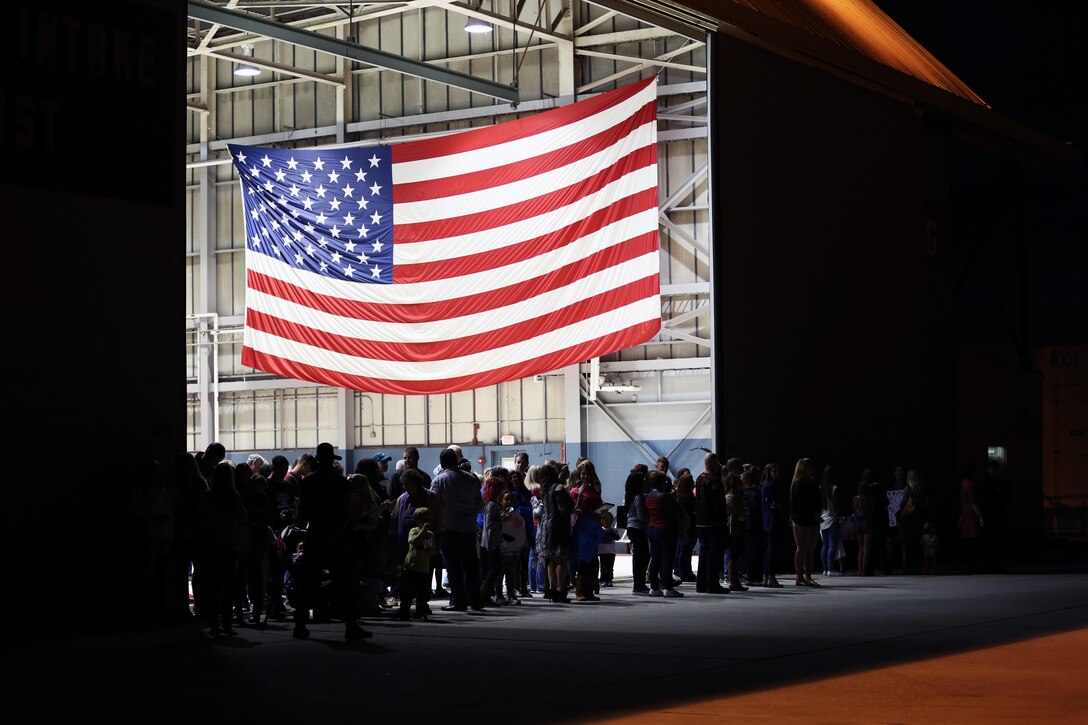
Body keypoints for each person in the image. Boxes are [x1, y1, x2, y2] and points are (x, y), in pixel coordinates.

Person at [293, 442, 372, 641]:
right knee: (345, 583)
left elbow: (303, 513)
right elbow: (347, 512)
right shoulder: (341, 483)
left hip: (316, 534)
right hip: (337, 536)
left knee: (308, 581)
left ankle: (300, 624)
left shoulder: (308, 481)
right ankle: (350, 626)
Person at [431, 447, 484, 612]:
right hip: (468, 529)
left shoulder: (439, 481)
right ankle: (475, 601)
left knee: (453, 567)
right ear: (456, 461)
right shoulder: (471, 479)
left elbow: (434, 505)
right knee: (471, 567)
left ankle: (459, 601)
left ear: (441, 463)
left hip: (449, 529)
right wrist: (469, 516)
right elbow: (479, 503)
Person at [198, 460, 246, 636]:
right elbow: (242, 517)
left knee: (213, 585)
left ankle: (213, 623)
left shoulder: (207, 496)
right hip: (228, 544)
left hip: (211, 545)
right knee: (228, 585)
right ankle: (227, 624)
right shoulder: (234, 497)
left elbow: (202, 520)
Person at [534, 462, 573, 603]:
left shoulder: (544, 489)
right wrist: (572, 505)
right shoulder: (558, 487)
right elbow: (563, 509)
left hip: (546, 525)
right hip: (559, 526)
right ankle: (561, 591)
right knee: (561, 559)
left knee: (550, 559)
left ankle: (551, 590)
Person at [570, 459, 605, 601]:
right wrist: (579, 495)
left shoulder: (594, 490)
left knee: (593, 560)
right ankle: (580, 592)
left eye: (588, 474)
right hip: (583, 527)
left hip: (595, 526)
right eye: (583, 474)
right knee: (583, 560)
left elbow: (599, 504)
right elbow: (577, 510)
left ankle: (590, 590)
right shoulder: (574, 491)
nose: (585, 477)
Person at [695, 452, 729, 594]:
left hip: (701, 522)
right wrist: (723, 519)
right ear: (714, 463)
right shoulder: (714, 481)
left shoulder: (699, 479)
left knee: (703, 554)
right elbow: (718, 503)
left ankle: (701, 584)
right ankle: (712, 584)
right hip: (714, 523)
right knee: (714, 554)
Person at [646, 470, 683, 597]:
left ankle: (654, 587)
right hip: (665, 529)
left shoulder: (650, 495)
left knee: (655, 558)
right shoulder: (665, 496)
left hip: (652, 528)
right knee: (667, 559)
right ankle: (668, 587)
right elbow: (677, 510)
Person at [396, 506, 436, 621]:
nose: (426, 523)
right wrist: (422, 531)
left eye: (428, 520)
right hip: (411, 566)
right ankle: (404, 612)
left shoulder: (431, 534)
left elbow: (432, 550)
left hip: (423, 567)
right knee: (407, 591)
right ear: (417, 520)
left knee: (422, 592)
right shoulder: (414, 531)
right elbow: (413, 541)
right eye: (424, 520)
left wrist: (430, 550)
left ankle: (420, 611)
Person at [789, 458, 821, 587]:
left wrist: (817, 514)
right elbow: (800, 504)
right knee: (801, 548)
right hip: (802, 520)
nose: (812, 468)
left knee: (810, 549)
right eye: (809, 466)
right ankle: (799, 576)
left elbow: (817, 500)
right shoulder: (797, 483)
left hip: (813, 519)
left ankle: (808, 575)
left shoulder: (812, 482)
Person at [623, 463, 651, 595]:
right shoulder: (639, 497)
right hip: (638, 528)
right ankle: (639, 584)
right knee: (643, 556)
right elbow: (642, 516)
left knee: (639, 556)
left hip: (631, 527)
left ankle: (638, 583)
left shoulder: (628, 496)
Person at [980, 460, 1010, 573]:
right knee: (990, 541)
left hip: (998, 514)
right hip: (990, 515)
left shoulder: (1000, 482)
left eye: (995, 469)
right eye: (992, 469)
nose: (994, 471)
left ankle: (997, 565)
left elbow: (1007, 496)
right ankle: (990, 565)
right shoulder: (987, 482)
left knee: (998, 541)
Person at [498, 491, 527, 605]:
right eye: (506, 499)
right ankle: (499, 595)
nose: (509, 502)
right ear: (500, 501)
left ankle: (511, 594)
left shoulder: (516, 515)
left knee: (511, 573)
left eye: (511, 499)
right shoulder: (498, 514)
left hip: (513, 550)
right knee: (499, 573)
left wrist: (524, 545)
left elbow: (521, 530)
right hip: (501, 548)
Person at [760, 463, 784, 588]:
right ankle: (770, 577)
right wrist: (779, 505)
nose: (777, 474)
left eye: (777, 471)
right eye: (774, 471)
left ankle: (767, 577)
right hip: (772, 519)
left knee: (770, 549)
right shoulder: (769, 486)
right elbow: (775, 502)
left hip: (768, 519)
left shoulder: (765, 485)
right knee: (772, 549)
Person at [724, 466, 748, 592]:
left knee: (736, 555)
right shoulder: (730, 497)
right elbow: (740, 513)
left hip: (737, 528)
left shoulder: (733, 496)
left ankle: (735, 580)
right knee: (733, 556)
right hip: (733, 529)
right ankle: (733, 581)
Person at [740, 465, 764, 586]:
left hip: (747, 525)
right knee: (754, 551)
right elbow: (756, 511)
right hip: (754, 525)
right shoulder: (755, 493)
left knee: (749, 551)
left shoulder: (744, 493)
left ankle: (750, 574)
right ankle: (754, 576)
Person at [818, 465, 842, 577]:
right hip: (832, 518)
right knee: (832, 545)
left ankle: (825, 569)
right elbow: (837, 505)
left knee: (825, 545)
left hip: (822, 519)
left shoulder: (820, 488)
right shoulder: (834, 488)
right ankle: (830, 569)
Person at [959, 464, 984, 574]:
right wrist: (981, 516)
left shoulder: (963, 483)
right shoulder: (970, 484)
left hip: (964, 513)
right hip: (971, 514)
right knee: (973, 540)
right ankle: (973, 566)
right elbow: (973, 502)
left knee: (967, 540)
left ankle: (968, 565)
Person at [853, 473, 876, 576]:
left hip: (857, 523)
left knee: (860, 548)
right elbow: (872, 511)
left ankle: (859, 570)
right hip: (866, 522)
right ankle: (863, 571)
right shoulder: (868, 499)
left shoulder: (855, 499)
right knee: (867, 547)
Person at [597, 510, 620, 588]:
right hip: (602, 552)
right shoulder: (600, 529)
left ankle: (609, 580)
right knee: (603, 567)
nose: (607, 523)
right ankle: (603, 579)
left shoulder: (614, 530)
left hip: (611, 552)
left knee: (610, 567)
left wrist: (610, 531)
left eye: (609, 521)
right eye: (606, 521)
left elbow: (617, 538)